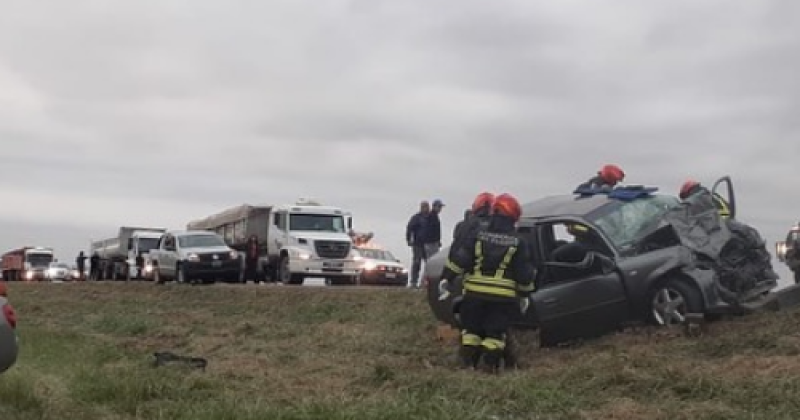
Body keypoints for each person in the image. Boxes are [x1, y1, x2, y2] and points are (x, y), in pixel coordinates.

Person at [439, 193, 536, 373]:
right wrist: (525, 295)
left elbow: (461, 259)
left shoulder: (477, 235)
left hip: (473, 295)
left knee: (471, 332)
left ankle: (467, 366)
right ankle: (488, 369)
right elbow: (524, 274)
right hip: (502, 299)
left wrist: (447, 278)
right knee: (495, 335)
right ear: (513, 217)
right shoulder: (519, 242)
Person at [406, 201, 431, 288]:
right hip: (417, 244)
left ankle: (426, 282)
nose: (426, 208)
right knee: (417, 262)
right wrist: (408, 239)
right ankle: (413, 281)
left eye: (427, 206)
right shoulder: (416, 218)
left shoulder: (431, 218)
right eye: (424, 207)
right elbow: (409, 228)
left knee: (429, 263)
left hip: (428, 243)